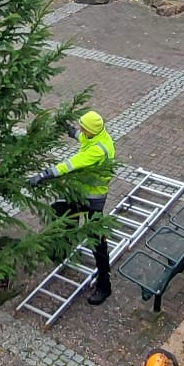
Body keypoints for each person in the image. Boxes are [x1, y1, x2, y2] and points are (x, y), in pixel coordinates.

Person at [34, 109, 117, 305]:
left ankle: (104, 285)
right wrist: (70, 131)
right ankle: (63, 249)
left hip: (93, 199)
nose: (81, 130)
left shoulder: (98, 150)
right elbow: (83, 138)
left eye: (82, 128)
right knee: (61, 211)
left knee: (97, 241)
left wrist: (44, 175)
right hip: (80, 192)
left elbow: (70, 164)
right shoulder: (97, 135)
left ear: (90, 130)